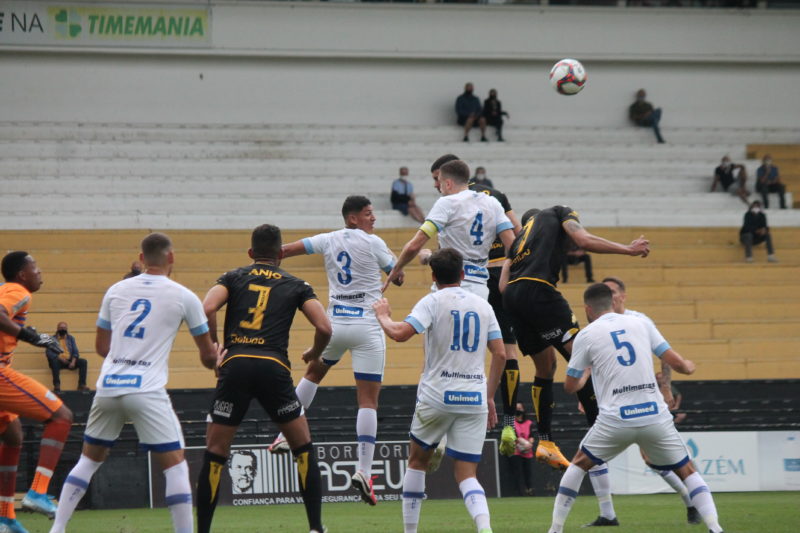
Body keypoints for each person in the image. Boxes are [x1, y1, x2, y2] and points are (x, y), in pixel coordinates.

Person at [49, 233, 219, 533]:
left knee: (88, 461)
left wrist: (125, 354)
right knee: (176, 465)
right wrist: (217, 355)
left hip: (110, 384)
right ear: (171, 258)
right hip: (146, 388)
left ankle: (58, 528)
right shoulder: (184, 296)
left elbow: (103, 347)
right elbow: (207, 357)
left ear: (141, 259)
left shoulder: (115, 291)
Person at [547, 283, 725, 533]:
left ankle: (555, 529)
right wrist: (689, 367)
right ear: (612, 301)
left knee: (578, 465)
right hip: (654, 415)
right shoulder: (641, 323)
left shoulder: (586, 335)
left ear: (588, 308)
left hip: (615, 419)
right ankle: (715, 528)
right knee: (687, 470)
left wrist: (587, 375)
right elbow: (674, 361)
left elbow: (570, 385)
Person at [196, 224, 331, 533]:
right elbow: (325, 328)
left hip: (237, 364)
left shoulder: (232, 277)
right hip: (273, 367)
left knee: (216, 451)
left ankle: (203, 530)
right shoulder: (297, 284)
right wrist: (313, 354)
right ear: (281, 254)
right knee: (302, 446)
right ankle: (315, 528)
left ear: (251, 253)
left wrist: (216, 348)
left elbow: (207, 307)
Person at [268, 196, 402, 506]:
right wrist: (395, 271)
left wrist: (274, 262)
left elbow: (286, 250)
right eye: (368, 214)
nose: (374, 219)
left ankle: (282, 436)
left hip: (335, 324)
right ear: (353, 218)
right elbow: (398, 274)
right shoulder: (374, 242)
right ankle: (364, 472)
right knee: (368, 400)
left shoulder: (327, 239)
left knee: (313, 373)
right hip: (367, 327)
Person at [498, 207, 650, 471]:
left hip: (512, 298)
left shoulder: (517, 242)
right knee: (583, 358)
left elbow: (501, 286)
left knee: (545, 367)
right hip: (539, 290)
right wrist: (629, 249)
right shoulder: (558, 213)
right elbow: (584, 240)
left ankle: (546, 441)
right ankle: (599, 430)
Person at [372, 248, 506, 533]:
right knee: (467, 474)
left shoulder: (431, 301)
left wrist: (383, 315)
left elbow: (399, 333)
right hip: (474, 397)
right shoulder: (484, 305)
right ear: (463, 274)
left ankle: (410, 531)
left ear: (433, 275)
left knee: (417, 462)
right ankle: (485, 529)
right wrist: (490, 395)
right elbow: (501, 354)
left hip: (438, 394)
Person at [599, 276, 702, 526]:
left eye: (612, 291)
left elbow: (663, 354)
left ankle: (696, 501)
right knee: (650, 458)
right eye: (605, 292)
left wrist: (665, 387)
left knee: (672, 456)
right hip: (617, 399)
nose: (609, 296)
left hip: (646, 398)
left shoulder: (640, 320)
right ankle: (692, 501)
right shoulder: (600, 322)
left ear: (623, 295)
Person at [0, 251, 74, 533]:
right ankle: (38, 492)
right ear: (22, 274)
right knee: (61, 417)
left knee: (13, 435)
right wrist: (32, 337)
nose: (40, 272)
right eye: (35, 267)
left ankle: (5, 518)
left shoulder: (6, 289)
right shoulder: (19, 291)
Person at [383, 157, 515, 301]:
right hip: (480, 289)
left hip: (450, 286)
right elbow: (512, 245)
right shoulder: (493, 203)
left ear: (448, 183)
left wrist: (396, 269)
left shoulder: (447, 203)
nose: (438, 187)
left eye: (439, 182)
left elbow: (414, 245)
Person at [45, 322, 89, 393]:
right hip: (58, 361)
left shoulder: (71, 338)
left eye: (64, 328)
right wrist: (60, 358)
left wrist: (73, 361)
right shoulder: (52, 339)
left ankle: (81, 384)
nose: (63, 329)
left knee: (83, 362)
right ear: (57, 328)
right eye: (61, 328)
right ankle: (57, 385)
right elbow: (49, 353)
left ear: (67, 329)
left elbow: (75, 351)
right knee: (54, 361)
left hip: (69, 361)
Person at [509, 403, 535, 497]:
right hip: (516, 451)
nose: (518, 410)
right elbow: (515, 436)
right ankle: (519, 492)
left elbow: (532, 436)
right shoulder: (512, 423)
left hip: (527, 451)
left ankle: (529, 490)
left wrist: (529, 444)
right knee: (517, 472)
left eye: (520, 408)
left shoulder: (529, 423)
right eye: (516, 408)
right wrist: (524, 443)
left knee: (528, 472)